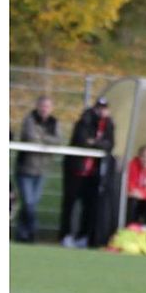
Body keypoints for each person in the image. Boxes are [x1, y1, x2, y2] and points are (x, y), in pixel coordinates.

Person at [60, 97, 115, 248]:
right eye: (99, 108)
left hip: (93, 173)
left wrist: (95, 142)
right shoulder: (85, 120)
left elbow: (110, 144)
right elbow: (82, 140)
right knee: (70, 204)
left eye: (104, 108)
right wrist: (98, 143)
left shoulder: (109, 124)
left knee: (89, 206)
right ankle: (66, 235)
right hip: (76, 170)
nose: (102, 111)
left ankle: (83, 236)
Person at [14, 95, 61, 242]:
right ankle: (32, 231)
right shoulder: (30, 119)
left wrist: (42, 137)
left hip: (42, 170)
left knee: (31, 204)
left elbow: (58, 140)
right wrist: (46, 139)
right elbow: (30, 137)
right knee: (29, 202)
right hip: (25, 169)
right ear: (37, 106)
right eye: (42, 106)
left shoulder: (54, 122)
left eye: (47, 106)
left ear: (51, 108)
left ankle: (22, 233)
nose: (44, 109)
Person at [126, 146, 146, 225]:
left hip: (145, 198)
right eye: (143, 156)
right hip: (132, 199)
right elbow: (130, 187)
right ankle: (130, 226)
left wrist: (142, 193)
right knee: (133, 202)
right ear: (139, 157)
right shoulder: (133, 165)